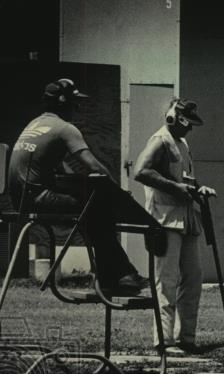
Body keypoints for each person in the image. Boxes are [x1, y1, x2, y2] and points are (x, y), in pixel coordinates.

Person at [7, 78, 147, 295]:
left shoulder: (36, 124)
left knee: (91, 207)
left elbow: (59, 169)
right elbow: (94, 166)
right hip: (38, 197)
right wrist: (116, 192)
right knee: (98, 208)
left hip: (19, 199)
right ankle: (119, 277)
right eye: (75, 103)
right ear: (63, 103)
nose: (77, 108)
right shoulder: (65, 129)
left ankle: (114, 277)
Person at [133, 97, 213, 355]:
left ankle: (185, 338)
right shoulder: (160, 140)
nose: (190, 129)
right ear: (173, 119)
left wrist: (197, 188)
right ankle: (163, 341)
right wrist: (175, 188)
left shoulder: (182, 143)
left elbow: (184, 178)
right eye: (187, 123)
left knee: (193, 278)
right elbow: (140, 171)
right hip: (164, 220)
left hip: (187, 219)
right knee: (165, 281)